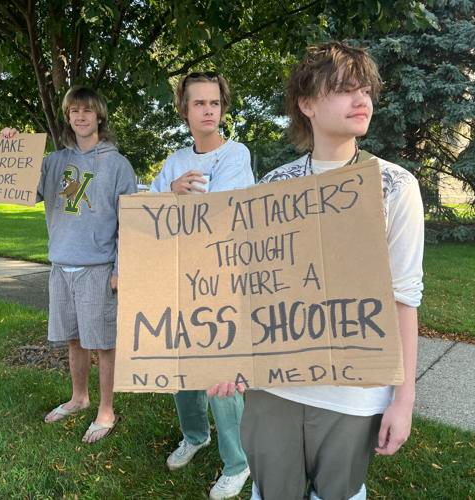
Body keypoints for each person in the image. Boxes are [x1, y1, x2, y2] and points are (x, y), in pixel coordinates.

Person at [208, 42, 425, 500]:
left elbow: (405, 296)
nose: (362, 100)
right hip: (276, 389)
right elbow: (254, 290)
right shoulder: (274, 188)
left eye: (365, 90)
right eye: (346, 89)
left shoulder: (395, 186)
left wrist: (402, 400)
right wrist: (234, 359)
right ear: (306, 103)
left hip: (354, 392)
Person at [2, 85, 137, 443]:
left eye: (87, 111)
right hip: (62, 266)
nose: (80, 117)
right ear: (68, 117)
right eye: (74, 111)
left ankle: (106, 409)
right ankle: (79, 397)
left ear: (99, 117)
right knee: (75, 339)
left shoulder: (118, 166)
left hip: (98, 268)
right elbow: (20, 191)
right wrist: (11, 146)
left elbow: (131, 224)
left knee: (103, 342)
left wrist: (120, 270)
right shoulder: (53, 163)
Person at [150, 72, 254, 499]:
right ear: (185, 110)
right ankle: (195, 436)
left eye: (214, 103)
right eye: (199, 104)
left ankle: (238, 461)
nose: (208, 110)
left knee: (220, 373)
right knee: (182, 367)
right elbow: (149, 214)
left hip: (222, 279)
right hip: (179, 277)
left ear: (222, 108)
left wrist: (177, 201)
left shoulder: (236, 154)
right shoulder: (174, 161)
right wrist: (169, 194)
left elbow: (225, 210)